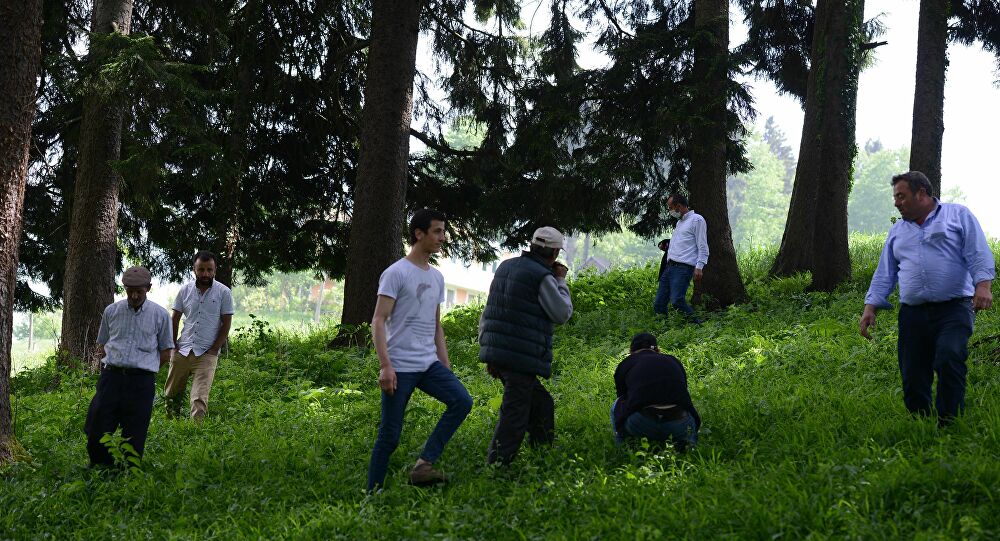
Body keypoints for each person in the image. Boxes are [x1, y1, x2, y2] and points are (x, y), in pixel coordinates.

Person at [860, 171, 994, 426]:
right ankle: (920, 421)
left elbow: (978, 253)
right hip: (913, 313)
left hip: (955, 308)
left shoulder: (958, 215)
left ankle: (949, 421)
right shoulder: (898, 231)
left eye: (901, 196)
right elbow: (885, 272)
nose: (896, 202)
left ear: (921, 192)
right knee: (912, 371)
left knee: (949, 355)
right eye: (895, 197)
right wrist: (870, 307)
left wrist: (983, 286)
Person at [367, 209, 473, 491]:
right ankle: (372, 493)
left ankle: (424, 464)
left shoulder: (437, 277)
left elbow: (436, 325)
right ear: (419, 234)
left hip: (428, 365)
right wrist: (385, 366)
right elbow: (378, 320)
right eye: (437, 231)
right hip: (399, 366)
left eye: (443, 231)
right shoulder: (396, 273)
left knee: (462, 401)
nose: (442, 237)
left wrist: (445, 363)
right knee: (389, 436)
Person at [479, 226, 574, 466]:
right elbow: (561, 313)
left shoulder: (505, 267)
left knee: (541, 404)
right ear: (554, 253)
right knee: (515, 414)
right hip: (520, 357)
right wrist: (560, 280)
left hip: (499, 351)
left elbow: (491, 311)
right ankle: (498, 466)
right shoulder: (541, 276)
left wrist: (491, 354)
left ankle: (541, 456)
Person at [84, 266, 173, 467]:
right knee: (97, 426)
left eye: (139, 291)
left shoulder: (160, 315)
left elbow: (166, 352)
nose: (134, 295)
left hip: (141, 382)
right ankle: (101, 468)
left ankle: (130, 473)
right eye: (129, 290)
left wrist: (145, 368)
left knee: (135, 431)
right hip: (111, 378)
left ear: (148, 288)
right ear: (123, 288)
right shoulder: (111, 311)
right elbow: (102, 345)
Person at [163, 251, 235, 420]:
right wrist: (173, 344)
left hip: (206, 353)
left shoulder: (223, 293)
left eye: (209, 270)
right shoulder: (184, 291)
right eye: (201, 269)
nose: (205, 274)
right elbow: (174, 320)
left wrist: (214, 349)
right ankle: (170, 427)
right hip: (182, 350)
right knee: (171, 394)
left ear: (215, 270)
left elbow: (226, 323)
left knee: (199, 398)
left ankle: (196, 434)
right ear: (194, 270)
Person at [611, 332, 700, 451]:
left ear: (631, 352)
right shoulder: (673, 360)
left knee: (616, 404)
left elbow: (622, 396)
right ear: (658, 350)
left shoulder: (627, 363)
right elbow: (682, 389)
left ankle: (624, 449)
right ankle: (690, 448)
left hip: (641, 423)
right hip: (679, 423)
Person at [653, 194, 707, 323]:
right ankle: (663, 330)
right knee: (659, 303)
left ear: (678, 206)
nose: (670, 211)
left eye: (670, 208)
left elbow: (702, 245)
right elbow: (683, 243)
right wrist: (667, 245)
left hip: (683, 268)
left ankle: (697, 325)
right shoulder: (680, 222)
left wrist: (699, 266)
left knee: (677, 300)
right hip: (669, 267)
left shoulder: (697, 220)